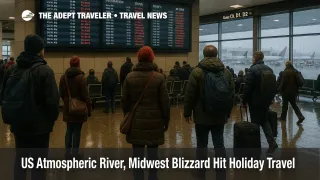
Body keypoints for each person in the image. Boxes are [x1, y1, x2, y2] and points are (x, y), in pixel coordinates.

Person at [0, 34, 60, 180]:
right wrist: (50, 121)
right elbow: (52, 102)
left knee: (20, 162)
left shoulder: (12, 69)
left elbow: (3, 95)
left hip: (18, 125)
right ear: (40, 51)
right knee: (38, 167)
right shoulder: (44, 71)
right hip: (39, 128)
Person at [184, 45, 233, 180]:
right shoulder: (226, 72)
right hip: (220, 114)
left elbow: (190, 95)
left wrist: (187, 113)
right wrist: (227, 113)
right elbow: (231, 95)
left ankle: (201, 171)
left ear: (203, 55)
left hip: (202, 115)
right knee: (219, 143)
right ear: (217, 54)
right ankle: (221, 172)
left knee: (202, 144)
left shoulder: (197, 72)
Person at [122, 46, 170, 180]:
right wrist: (166, 121)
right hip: (155, 122)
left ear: (138, 59)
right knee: (153, 155)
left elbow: (124, 101)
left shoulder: (129, 77)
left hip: (136, 121)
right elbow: (165, 103)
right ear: (152, 59)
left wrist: (127, 115)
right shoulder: (159, 78)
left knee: (137, 155)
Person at [242, 51, 278, 153]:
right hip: (266, 100)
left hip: (255, 101)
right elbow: (273, 86)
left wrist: (244, 101)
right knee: (264, 120)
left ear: (254, 58)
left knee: (255, 123)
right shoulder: (269, 69)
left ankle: (255, 146)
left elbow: (247, 87)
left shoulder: (252, 69)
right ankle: (272, 142)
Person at [59, 56, 91, 158]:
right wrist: (89, 109)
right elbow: (85, 95)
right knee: (77, 131)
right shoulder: (81, 77)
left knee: (69, 129)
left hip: (68, 107)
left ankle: (67, 153)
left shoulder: (63, 77)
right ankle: (75, 153)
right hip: (79, 108)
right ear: (78, 64)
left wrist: (67, 101)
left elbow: (61, 92)